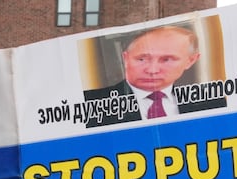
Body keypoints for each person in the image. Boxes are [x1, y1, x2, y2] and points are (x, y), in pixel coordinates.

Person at [84, 25, 227, 127]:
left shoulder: (212, 104)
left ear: (190, 60)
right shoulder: (89, 106)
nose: (152, 70)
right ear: (126, 59)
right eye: (142, 59)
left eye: (167, 59)